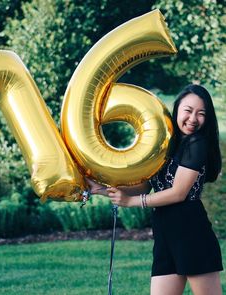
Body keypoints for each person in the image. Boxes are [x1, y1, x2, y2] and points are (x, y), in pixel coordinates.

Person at [87, 84, 223, 295]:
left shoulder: (197, 144)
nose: (193, 119)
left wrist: (133, 202)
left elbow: (178, 192)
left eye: (201, 113)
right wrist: (102, 189)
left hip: (192, 231)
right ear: (177, 109)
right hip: (165, 233)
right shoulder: (167, 144)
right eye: (188, 110)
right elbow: (145, 185)